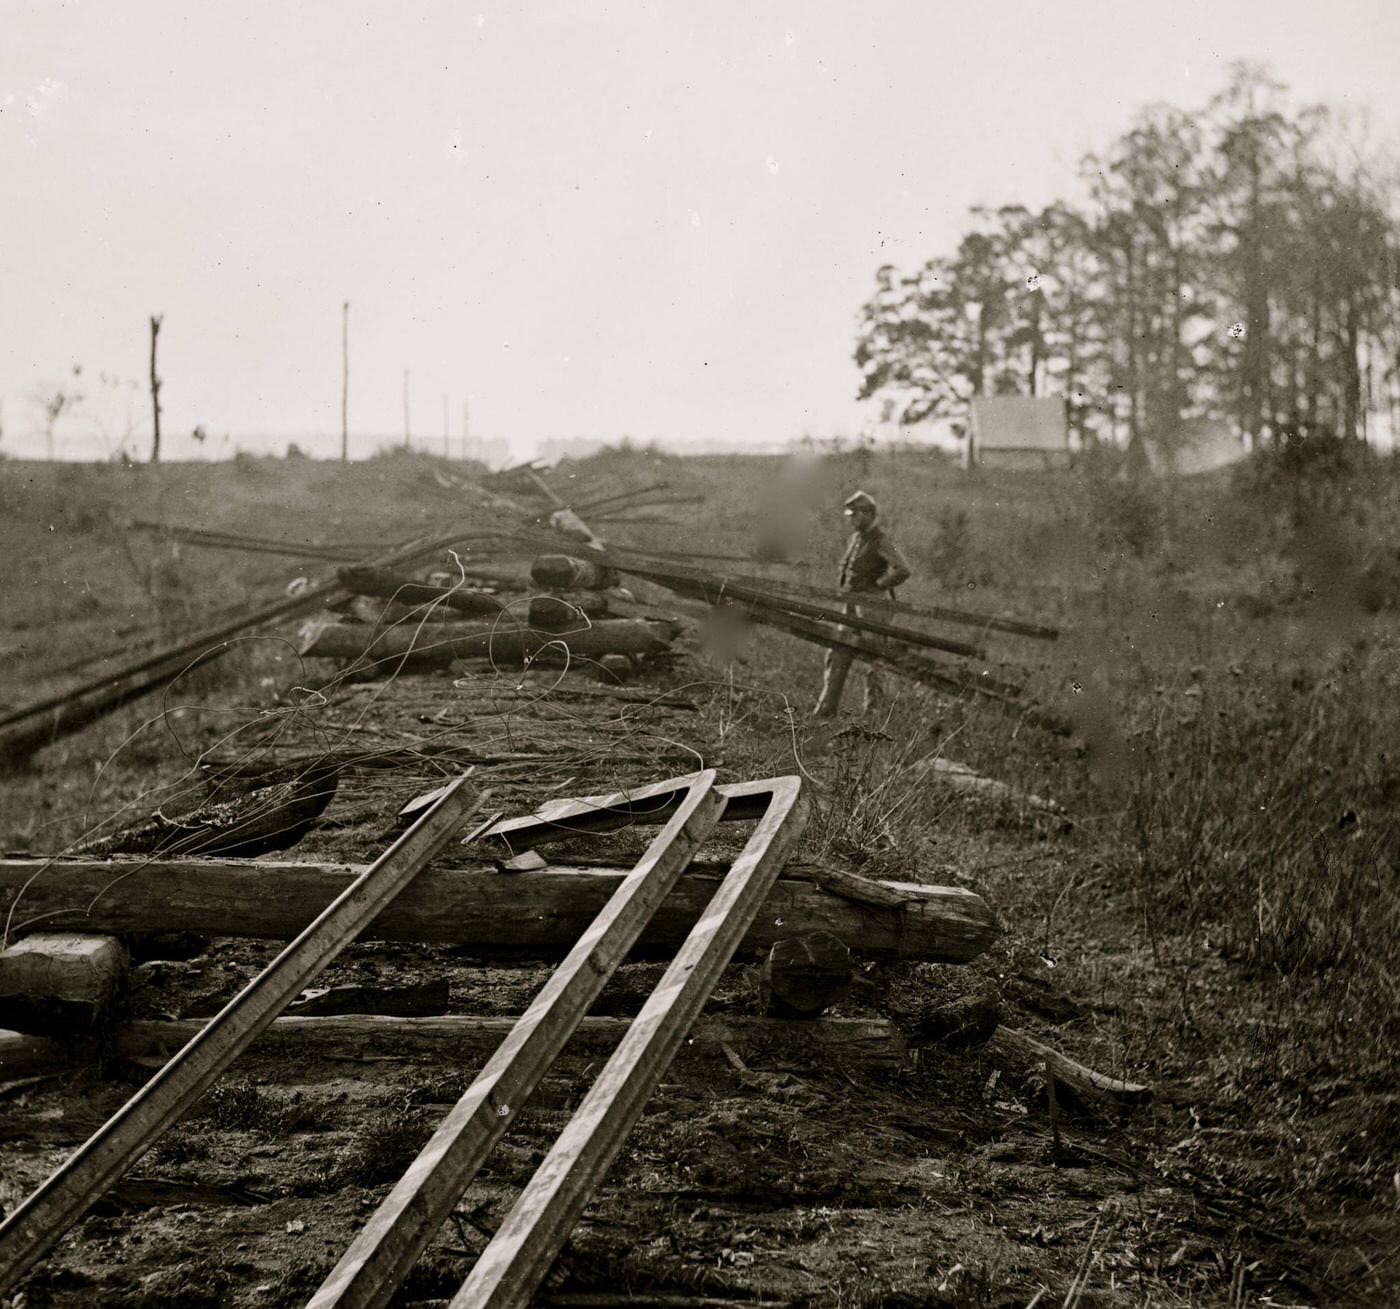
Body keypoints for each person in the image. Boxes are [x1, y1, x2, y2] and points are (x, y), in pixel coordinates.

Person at [812, 490, 912, 719]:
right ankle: (826, 709)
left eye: (856, 514)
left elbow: (903, 569)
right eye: (850, 514)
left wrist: (878, 584)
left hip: (872, 606)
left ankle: (873, 713)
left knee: (874, 657)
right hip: (850, 604)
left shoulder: (881, 539)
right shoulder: (855, 538)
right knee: (837, 650)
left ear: (868, 514)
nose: (851, 519)